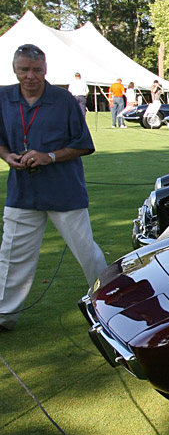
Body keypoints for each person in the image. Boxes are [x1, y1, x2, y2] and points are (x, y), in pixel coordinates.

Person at [0, 44, 107, 331]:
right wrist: (7, 155)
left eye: (36, 70)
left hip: (64, 191)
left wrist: (49, 157)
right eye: (24, 69)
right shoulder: (3, 97)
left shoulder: (63, 99)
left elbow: (84, 144)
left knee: (87, 252)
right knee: (11, 256)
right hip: (22, 191)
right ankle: (3, 316)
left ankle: (110, 305)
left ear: (45, 70)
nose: (30, 76)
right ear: (15, 69)